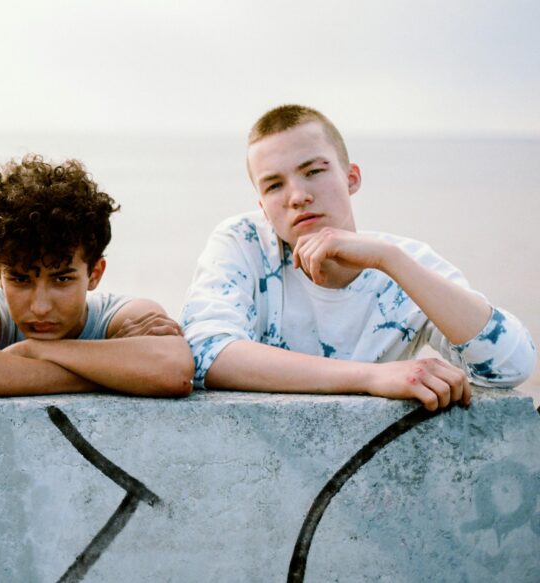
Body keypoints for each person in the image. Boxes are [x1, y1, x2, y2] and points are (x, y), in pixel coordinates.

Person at [181, 105, 536, 409]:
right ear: (262, 206)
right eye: (274, 185)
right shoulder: (245, 242)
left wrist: (388, 260)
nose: (297, 196)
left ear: (351, 178)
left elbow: (510, 366)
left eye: (314, 171)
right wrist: (371, 378)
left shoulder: (402, 261)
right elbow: (205, 353)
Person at [0, 155, 193, 398]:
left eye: (62, 280)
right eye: (20, 280)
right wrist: (115, 375)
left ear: (94, 273)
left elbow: (174, 370)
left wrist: (35, 350)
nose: (40, 307)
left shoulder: (123, 317)